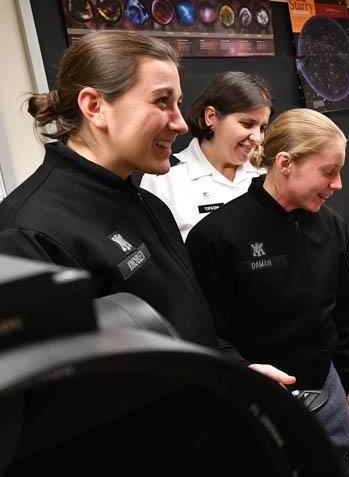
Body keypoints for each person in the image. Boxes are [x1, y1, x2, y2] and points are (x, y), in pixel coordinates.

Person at [0, 31, 294, 385]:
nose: (182, 123)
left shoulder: (150, 204)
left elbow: (188, 325)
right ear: (94, 106)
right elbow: (64, 400)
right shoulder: (27, 233)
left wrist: (233, 370)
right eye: (161, 102)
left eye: (178, 102)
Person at [185, 108, 349, 464]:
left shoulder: (331, 225)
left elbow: (343, 313)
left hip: (325, 382)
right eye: (328, 172)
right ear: (286, 163)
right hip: (261, 398)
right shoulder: (216, 237)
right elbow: (204, 334)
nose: (338, 184)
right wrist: (243, 375)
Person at [140, 71, 272, 239]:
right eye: (247, 124)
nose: (257, 138)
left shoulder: (266, 173)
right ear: (211, 117)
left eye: (262, 128)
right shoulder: (164, 180)